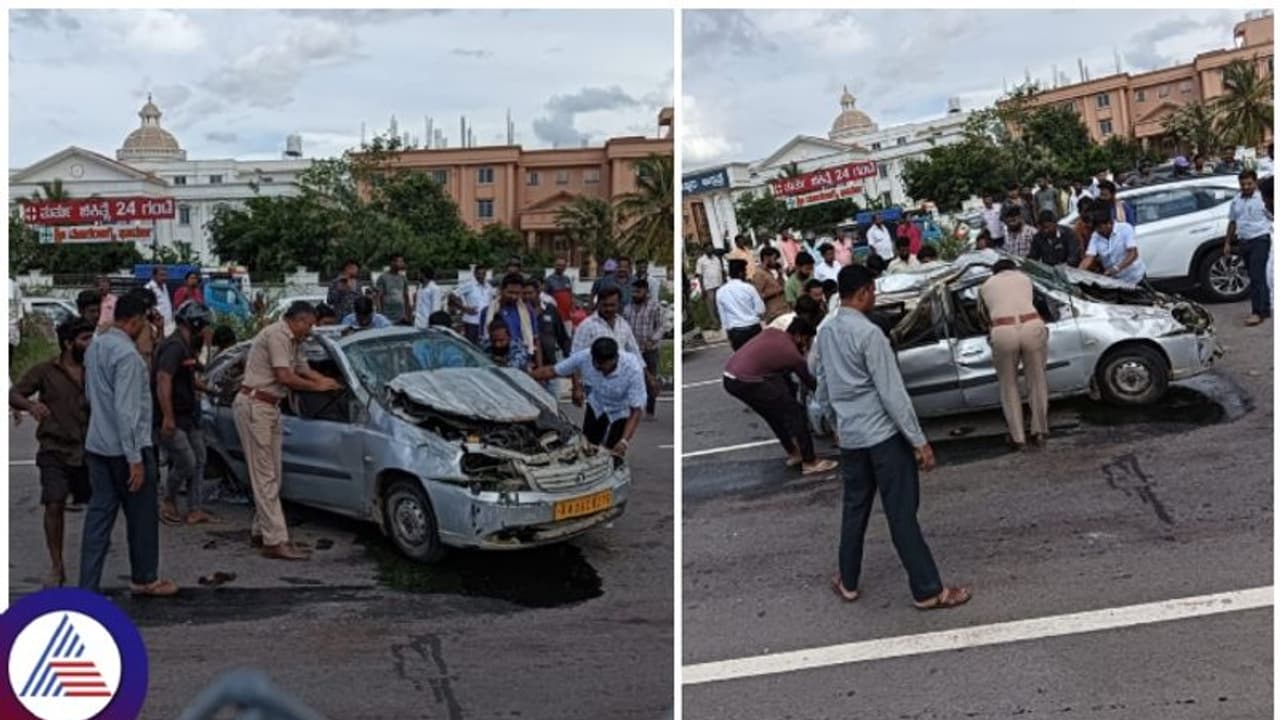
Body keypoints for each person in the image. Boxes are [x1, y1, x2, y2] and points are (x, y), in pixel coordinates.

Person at [817, 265, 970, 610]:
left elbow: (823, 384)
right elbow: (892, 393)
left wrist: (834, 423)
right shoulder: (870, 335)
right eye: (873, 292)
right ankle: (928, 590)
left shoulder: (826, 332)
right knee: (901, 514)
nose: (875, 298)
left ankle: (849, 580)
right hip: (883, 436)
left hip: (852, 437)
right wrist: (919, 441)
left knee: (855, 509)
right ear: (864, 292)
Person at [78, 292, 178, 596]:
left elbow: (92, 397)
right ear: (135, 321)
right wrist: (135, 458)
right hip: (126, 449)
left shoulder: (95, 347)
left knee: (98, 518)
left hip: (98, 445)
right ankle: (145, 577)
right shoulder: (128, 357)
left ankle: (88, 585)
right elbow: (127, 411)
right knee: (142, 517)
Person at [234, 301, 342, 560]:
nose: (311, 330)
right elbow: (285, 376)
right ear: (300, 320)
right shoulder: (278, 335)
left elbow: (302, 368)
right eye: (310, 324)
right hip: (256, 404)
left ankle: (262, 531)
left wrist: (327, 381)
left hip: (269, 406)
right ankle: (275, 541)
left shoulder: (293, 340)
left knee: (273, 475)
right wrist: (318, 388)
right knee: (265, 476)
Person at [10, 317, 95, 588]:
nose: (90, 344)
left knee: (100, 507)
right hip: (54, 448)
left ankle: (94, 566)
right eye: (84, 339)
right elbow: (14, 393)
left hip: (90, 449)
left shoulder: (96, 368)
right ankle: (57, 565)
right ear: (69, 344)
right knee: (54, 503)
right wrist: (31, 406)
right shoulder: (46, 371)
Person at [723, 318, 837, 475]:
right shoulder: (790, 352)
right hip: (748, 380)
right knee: (795, 412)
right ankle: (810, 462)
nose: (806, 345)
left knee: (773, 414)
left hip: (731, 376)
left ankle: (794, 453)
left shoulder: (774, 333)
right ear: (798, 336)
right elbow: (810, 382)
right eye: (806, 340)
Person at [155, 302, 217, 527]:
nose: (206, 330)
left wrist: (208, 389)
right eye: (205, 325)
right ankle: (168, 498)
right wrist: (167, 417)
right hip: (175, 416)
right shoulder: (174, 347)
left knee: (199, 460)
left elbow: (188, 378)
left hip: (190, 414)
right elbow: (163, 379)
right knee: (187, 462)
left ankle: (194, 509)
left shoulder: (186, 346)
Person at [532, 338, 645, 457]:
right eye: (597, 365)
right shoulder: (584, 357)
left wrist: (624, 441)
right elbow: (551, 371)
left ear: (615, 359)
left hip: (621, 410)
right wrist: (522, 376)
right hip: (597, 406)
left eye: (604, 367)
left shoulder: (633, 369)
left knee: (614, 452)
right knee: (588, 448)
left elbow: (636, 411)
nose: (600, 369)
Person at [979, 260, 1049, 450]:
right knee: (1037, 381)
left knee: (1008, 385)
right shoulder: (1025, 279)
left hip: (1003, 329)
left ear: (994, 272)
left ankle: (1018, 438)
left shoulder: (985, 285)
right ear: (1013, 269)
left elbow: (983, 315)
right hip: (1032, 325)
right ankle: (1040, 431)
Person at [1225, 169, 1272, 326]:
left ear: (1255, 182)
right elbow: (1232, 222)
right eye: (1243, 184)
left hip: (1260, 240)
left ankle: (1256, 312)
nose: (1246, 187)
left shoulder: (1263, 199)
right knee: (1255, 276)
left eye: (1249, 183)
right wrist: (1227, 242)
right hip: (1244, 241)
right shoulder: (1236, 200)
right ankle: (1265, 308)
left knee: (1256, 276)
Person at [623, 277, 664, 419]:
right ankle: (633, 410)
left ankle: (650, 411)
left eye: (638, 291)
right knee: (632, 380)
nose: (635, 294)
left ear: (646, 291)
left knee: (650, 379)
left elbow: (661, 327)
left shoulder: (654, 306)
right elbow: (624, 328)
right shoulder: (628, 309)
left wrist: (652, 340)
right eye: (633, 292)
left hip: (649, 349)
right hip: (632, 351)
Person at [480, 272, 539, 362]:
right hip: (494, 360)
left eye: (517, 293)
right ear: (501, 290)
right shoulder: (488, 312)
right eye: (510, 292)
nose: (513, 297)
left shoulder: (528, 311)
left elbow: (534, 339)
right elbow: (483, 340)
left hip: (521, 360)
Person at [1080, 210, 1146, 284]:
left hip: (1135, 276)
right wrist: (1078, 273)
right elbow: (1089, 257)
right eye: (1096, 229)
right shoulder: (1095, 236)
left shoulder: (1125, 228)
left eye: (1100, 228)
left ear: (1109, 223)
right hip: (1116, 281)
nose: (1098, 231)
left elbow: (1133, 253)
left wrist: (1116, 269)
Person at [573, 286, 640, 356]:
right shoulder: (586, 326)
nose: (609, 309)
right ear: (598, 304)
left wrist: (641, 366)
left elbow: (634, 350)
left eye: (612, 305)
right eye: (605, 305)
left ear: (619, 304)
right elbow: (576, 356)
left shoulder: (623, 324)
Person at [717, 259, 765, 351]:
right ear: (740, 273)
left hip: (736, 332)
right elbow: (761, 310)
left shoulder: (720, 292)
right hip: (753, 328)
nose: (746, 274)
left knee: (742, 360)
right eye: (745, 271)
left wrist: (728, 334)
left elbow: (723, 317)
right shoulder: (749, 288)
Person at [526, 276, 572, 371]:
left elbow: (562, 337)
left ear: (538, 292)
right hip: (529, 366)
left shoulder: (550, 310)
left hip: (551, 365)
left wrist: (569, 358)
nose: (527, 297)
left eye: (530, 293)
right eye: (524, 294)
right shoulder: (521, 313)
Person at [452, 264, 495, 344]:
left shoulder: (489, 287)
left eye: (483, 274)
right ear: (475, 274)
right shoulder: (469, 285)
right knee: (470, 345)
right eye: (479, 273)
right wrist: (464, 308)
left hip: (485, 322)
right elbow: (453, 295)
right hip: (471, 321)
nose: (481, 276)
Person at [751, 247, 790, 322]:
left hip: (783, 307)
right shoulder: (759, 273)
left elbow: (780, 286)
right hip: (773, 311)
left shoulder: (769, 272)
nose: (776, 261)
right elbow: (757, 294)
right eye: (774, 259)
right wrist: (772, 294)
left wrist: (780, 275)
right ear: (766, 258)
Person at [695, 244, 726, 330]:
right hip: (708, 287)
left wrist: (724, 282)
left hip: (719, 285)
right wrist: (702, 288)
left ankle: (722, 322)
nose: (710, 249)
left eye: (711, 248)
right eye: (708, 248)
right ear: (705, 249)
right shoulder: (701, 260)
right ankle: (715, 323)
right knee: (711, 306)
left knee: (720, 304)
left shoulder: (716, 259)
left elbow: (721, 271)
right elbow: (699, 275)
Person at [376, 253, 411, 325]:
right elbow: (379, 296)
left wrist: (407, 314)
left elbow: (406, 296)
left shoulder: (403, 278)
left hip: (401, 315)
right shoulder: (383, 277)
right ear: (392, 262)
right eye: (400, 261)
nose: (402, 264)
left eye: (402, 262)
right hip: (387, 314)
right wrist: (380, 314)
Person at [144, 265, 174, 337]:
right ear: (154, 275)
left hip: (168, 325)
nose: (164, 278)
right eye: (161, 275)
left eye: (165, 275)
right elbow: (146, 308)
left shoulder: (164, 286)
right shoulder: (148, 288)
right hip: (155, 326)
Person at [545, 257, 576, 321]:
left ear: (565, 267)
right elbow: (544, 297)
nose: (560, 267)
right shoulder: (549, 280)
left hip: (567, 316)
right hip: (555, 316)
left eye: (563, 266)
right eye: (558, 265)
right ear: (554, 265)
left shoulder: (567, 279)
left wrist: (572, 306)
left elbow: (570, 294)